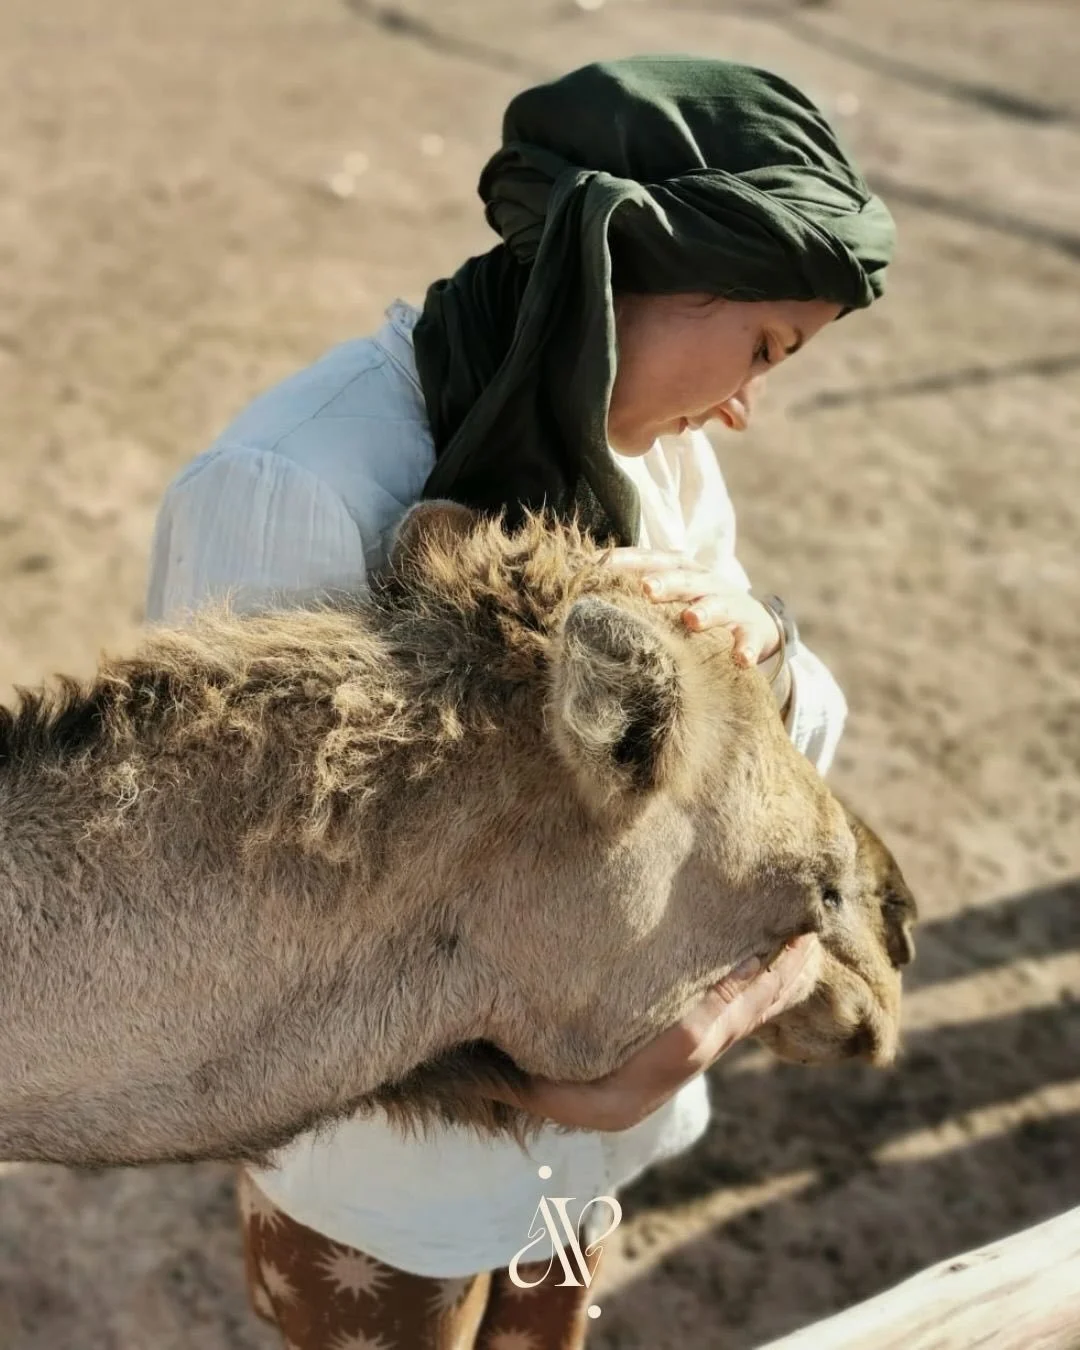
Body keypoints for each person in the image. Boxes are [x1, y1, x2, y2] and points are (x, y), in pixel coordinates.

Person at [145, 54, 894, 1350]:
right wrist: (548, 1076)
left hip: (583, 1167)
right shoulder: (294, 488)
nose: (742, 406)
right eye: (763, 344)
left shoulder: (652, 455)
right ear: (626, 265)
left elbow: (775, 753)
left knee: (551, 1333)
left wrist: (758, 647)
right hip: (386, 1188)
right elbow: (230, 912)